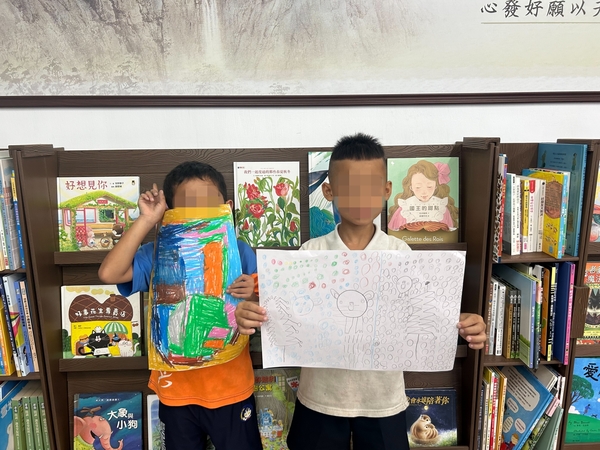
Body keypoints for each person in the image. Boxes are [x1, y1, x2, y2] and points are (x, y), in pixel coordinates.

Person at [235, 133, 486, 450]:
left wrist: (460, 322)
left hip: (382, 400)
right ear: (329, 191)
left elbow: (424, 312)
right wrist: (251, 311)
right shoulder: (310, 253)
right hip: (321, 397)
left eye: (370, 186)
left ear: (386, 191)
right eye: (349, 187)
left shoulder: (400, 253)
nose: (359, 196)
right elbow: (286, 313)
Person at [98, 161, 262, 450]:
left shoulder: (240, 252)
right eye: (188, 208)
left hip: (231, 389)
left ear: (226, 207)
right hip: (176, 393)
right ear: (171, 213)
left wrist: (252, 295)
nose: (198, 215)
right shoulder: (156, 253)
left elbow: (267, 307)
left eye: (207, 206)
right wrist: (147, 219)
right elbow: (109, 273)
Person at [387, 159, 459, 231]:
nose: (424, 192)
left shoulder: (442, 209)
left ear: (435, 186)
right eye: (418, 187)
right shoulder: (404, 209)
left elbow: (449, 233)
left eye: (429, 187)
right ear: (411, 187)